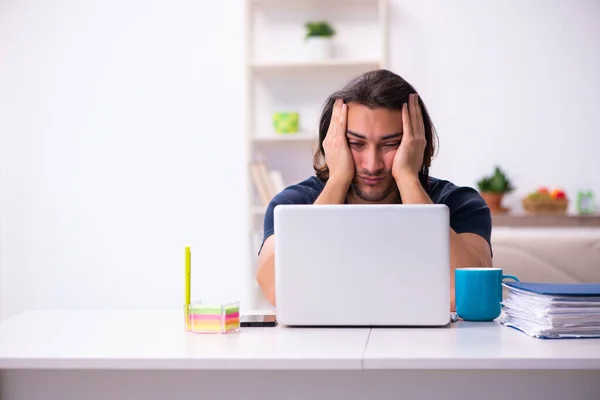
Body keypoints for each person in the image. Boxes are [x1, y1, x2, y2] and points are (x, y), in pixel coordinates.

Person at [256, 69, 493, 310]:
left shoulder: (459, 203)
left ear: (418, 143)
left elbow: (472, 292)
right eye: (356, 144)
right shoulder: (293, 204)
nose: (372, 165)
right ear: (332, 143)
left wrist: (408, 178)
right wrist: (337, 180)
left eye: (391, 145)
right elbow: (278, 291)